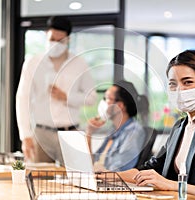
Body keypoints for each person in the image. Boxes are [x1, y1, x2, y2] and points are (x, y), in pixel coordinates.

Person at [118, 50, 195, 199]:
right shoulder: (179, 127)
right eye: (173, 84)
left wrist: (171, 184)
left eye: (187, 82)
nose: (179, 90)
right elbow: (149, 170)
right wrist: (101, 176)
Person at [16, 16, 97, 163]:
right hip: (42, 134)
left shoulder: (79, 63)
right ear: (46, 35)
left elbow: (92, 97)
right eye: (52, 39)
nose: (55, 44)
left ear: (68, 40)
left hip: (71, 133)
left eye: (60, 41)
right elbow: (22, 99)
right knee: (39, 181)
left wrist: (66, 97)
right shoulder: (33, 63)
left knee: (76, 181)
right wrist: (25, 135)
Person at [86, 80, 148, 172]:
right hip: (99, 180)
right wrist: (89, 133)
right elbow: (92, 162)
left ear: (120, 105)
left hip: (110, 183)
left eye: (106, 98)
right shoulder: (113, 130)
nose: (102, 103)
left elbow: (120, 170)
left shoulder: (134, 132)